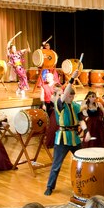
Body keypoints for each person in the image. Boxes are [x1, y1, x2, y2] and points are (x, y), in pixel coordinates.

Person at [44, 68, 88, 196]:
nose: (72, 97)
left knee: (83, 161)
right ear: (66, 94)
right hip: (62, 138)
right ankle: (49, 187)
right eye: (70, 94)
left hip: (74, 137)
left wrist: (86, 131)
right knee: (56, 165)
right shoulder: (59, 104)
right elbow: (64, 93)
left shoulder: (75, 106)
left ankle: (85, 183)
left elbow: (81, 120)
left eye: (73, 95)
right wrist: (72, 78)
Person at [5, 33, 30, 98]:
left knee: (22, 78)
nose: (14, 49)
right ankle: (25, 87)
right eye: (13, 48)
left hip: (21, 67)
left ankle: (20, 89)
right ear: (11, 49)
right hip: (16, 68)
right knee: (23, 76)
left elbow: (25, 50)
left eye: (15, 48)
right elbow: (7, 47)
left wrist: (27, 49)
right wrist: (10, 41)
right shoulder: (10, 55)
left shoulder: (18, 52)